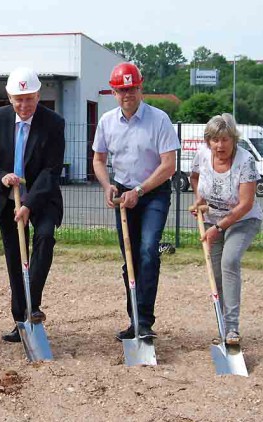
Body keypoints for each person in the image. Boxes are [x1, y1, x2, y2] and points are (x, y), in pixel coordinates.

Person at [0, 67, 65, 343]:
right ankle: (20, 320)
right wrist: (1, 176)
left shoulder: (53, 123)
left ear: (38, 96)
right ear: (9, 97)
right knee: (15, 258)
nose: (24, 105)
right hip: (7, 197)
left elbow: (52, 169)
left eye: (29, 98)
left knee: (44, 238)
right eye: (18, 99)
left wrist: (28, 202)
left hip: (42, 194)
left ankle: (32, 305)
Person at [92, 62, 180, 341]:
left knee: (147, 252)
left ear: (140, 89)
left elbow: (169, 165)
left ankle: (144, 320)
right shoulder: (107, 122)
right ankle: (134, 321)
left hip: (153, 193)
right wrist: (108, 186)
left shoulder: (160, 120)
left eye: (131, 89)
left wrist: (139, 191)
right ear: (114, 93)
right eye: (121, 90)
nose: (126, 94)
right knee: (129, 258)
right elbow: (98, 160)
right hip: (123, 195)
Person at [189, 113, 263, 345]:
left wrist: (219, 228)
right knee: (216, 272)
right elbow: (194, 178)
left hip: (242, 220)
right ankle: (221, 325)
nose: (220, 145)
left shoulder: (245, 160)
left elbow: (246, 204)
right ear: (208, 141)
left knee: (229, 262)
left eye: (225, 139)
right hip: (212, 220)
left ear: (234, 139)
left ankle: (232, 329)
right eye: (215, 140)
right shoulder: (201, 156)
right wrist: (200, 200)